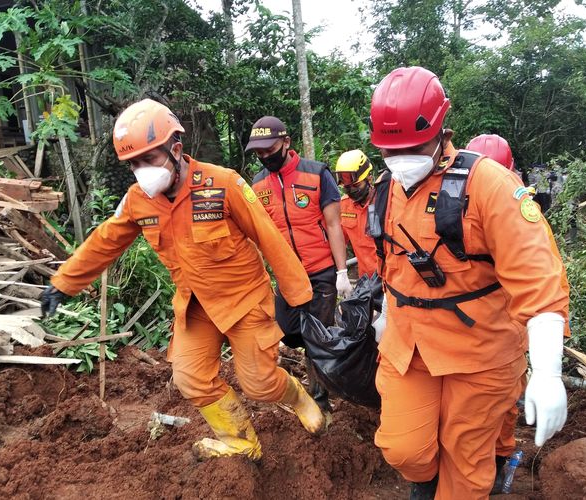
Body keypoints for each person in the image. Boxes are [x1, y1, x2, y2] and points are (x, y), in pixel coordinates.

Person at [40, 99, 325, 461]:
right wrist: (64, 282)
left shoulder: (224, 184)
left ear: (176, 149)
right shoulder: (138, 201)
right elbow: (104, 242)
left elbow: (269, 238)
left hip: (244, 300)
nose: (143, 171)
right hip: (196, 305)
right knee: (191, 378)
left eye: (149, 159)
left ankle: (298, 397)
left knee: (260, 384)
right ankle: (240, 441)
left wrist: (301, 295)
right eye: (134, 164)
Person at [369, 66, 569, 499]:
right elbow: (391, 264)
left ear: (443, 131)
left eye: (413, 146)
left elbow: (539, 279)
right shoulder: (386, 189)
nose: (401, 158)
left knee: (465, 464)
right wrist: (384, 317)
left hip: (480, 352)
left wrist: (548, 372)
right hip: (409, 348)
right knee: (404, 450)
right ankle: (428, 478)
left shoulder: (490, 185)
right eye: (389, 150)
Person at [467, 133, 572, 493]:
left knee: (507, 398)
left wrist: (546, 354)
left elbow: (545, 278)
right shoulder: (461, 200)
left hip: (510, 323)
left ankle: (499, 456)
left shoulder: (522, 211)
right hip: (473, 325)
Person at [246, 116, 352, 414]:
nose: (265, 156)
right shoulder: (257, 184)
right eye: (259, 152)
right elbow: (260, 232)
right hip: (287, 275)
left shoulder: (317, 174)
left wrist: (342, 272)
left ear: (287, 142)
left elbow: (333, 225)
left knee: (315, 337)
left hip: (320, 270)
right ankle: (329, 353)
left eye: (269, 149)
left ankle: (321, 401)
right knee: (290, 331)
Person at [333, 149, 379, 278]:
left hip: (391, 277)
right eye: (347, 187)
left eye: (356, 185)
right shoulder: (344, 206)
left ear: (369, 178)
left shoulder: (385, 202)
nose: (352, 191)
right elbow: (339, 241)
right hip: (365, 280)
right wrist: (341, 273)